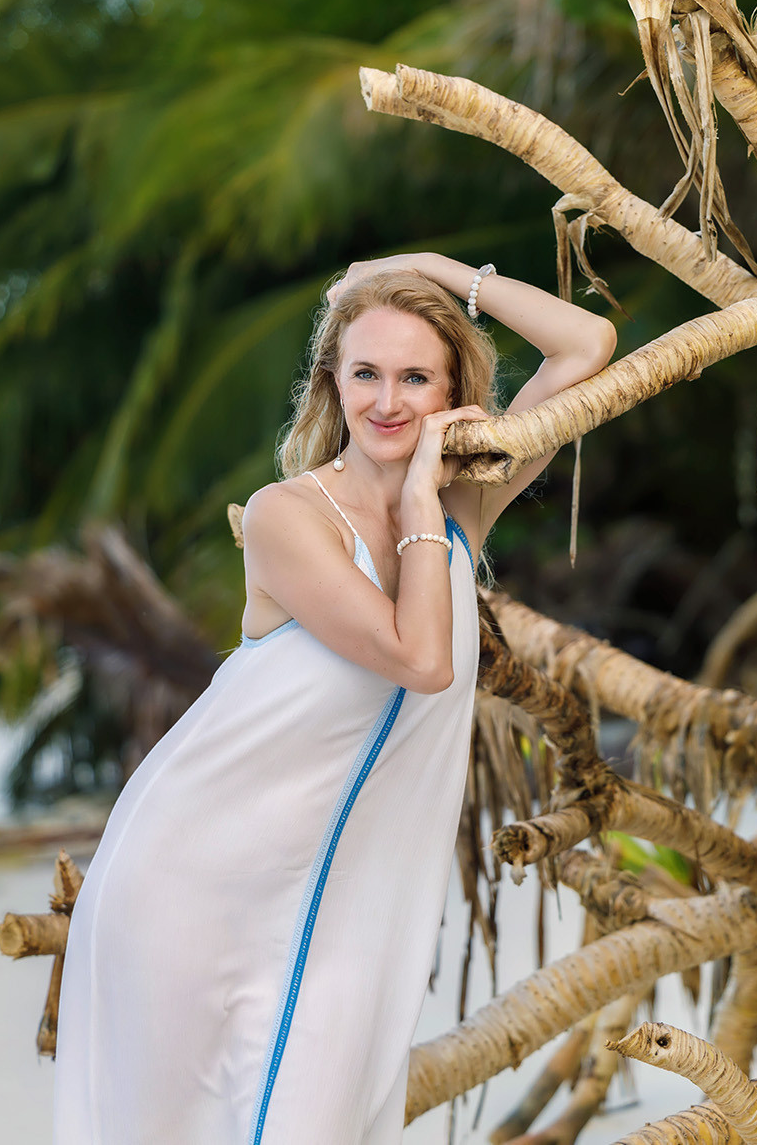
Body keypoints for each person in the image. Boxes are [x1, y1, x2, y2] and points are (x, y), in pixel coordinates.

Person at [52, 253, 617, 1145]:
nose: (387, 401)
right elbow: (420, 657)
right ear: (333, 384)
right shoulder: (290, 516)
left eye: (415, 377)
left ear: (452, 390)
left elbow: (586, 343)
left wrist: (424, 268)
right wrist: (425, 496)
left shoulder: (466, 502)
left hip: (342, 903)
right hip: (194, 879)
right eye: (364, 373)